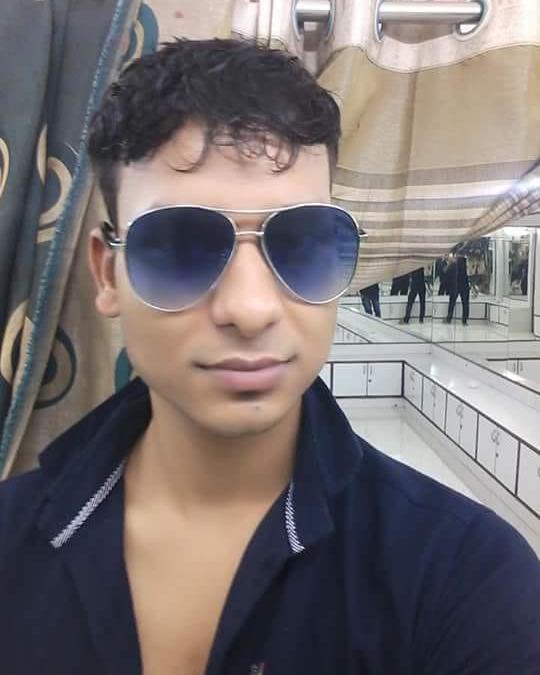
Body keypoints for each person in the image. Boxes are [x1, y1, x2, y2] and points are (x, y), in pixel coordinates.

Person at [0, 38, 538, 675]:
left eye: (304, 242)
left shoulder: (465, 580)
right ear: (107, 272)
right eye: (180, 245)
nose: (251, 309)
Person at [445, 253, 470, 324]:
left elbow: (447, 273)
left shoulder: (454, 264)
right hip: (465, 285)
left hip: (456, 285)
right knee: (465, 303)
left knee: (452, 302)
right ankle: (464, 320)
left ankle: (449, 318)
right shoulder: (466, 264)